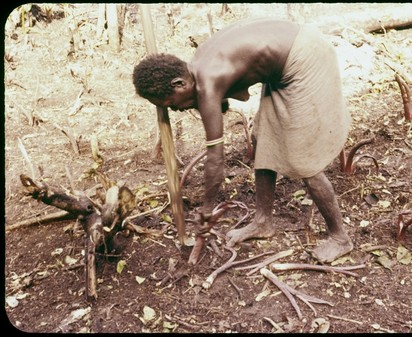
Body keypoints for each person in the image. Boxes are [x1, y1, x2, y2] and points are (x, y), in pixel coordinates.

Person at [132, 18, 353, 262]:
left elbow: (216, 161)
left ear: (180, 83)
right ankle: (262, 222)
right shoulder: (197, 65)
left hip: (305, 59)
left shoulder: (208, 83)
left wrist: (206, 210)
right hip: (283, 63)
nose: (174, 111)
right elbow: (233, 90)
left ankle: (340, 238)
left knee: (304, 160)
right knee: (265, 141)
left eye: (170, 104)